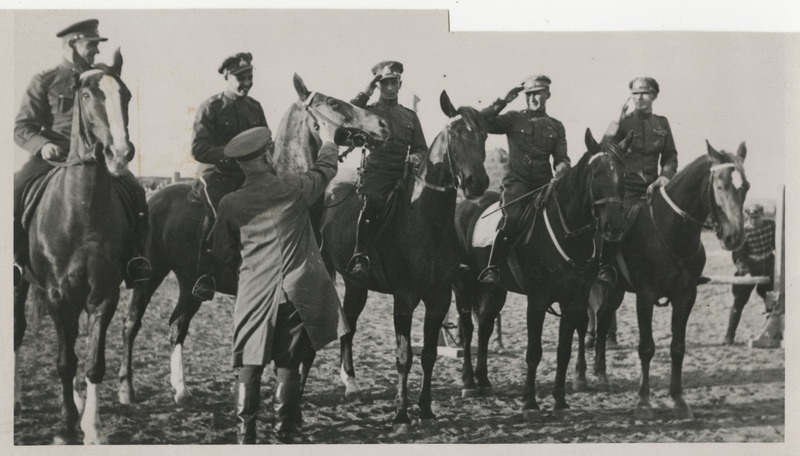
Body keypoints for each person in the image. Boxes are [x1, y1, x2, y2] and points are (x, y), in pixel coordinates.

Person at [212, 125, 349, 444]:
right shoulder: (293, 187)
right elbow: (326, 169)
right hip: (294, 293)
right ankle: (285, 430)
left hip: (253, 294)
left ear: (241, 164)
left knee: (249, 363)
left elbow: (221, 253)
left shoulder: (230, 203)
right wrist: (328, 141)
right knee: (288, 363)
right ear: (268, 153)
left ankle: (245, 433)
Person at [13, 18, 150, 287]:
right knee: (14, 191)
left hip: (97, 159)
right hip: (52, 159)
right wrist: (42, 145)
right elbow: (22, 127)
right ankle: (16, 262)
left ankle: (135, 259)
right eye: (91, 45)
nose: (96, 51)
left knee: (137, 191)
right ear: (71, 46)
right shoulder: (46, 80)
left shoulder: (100, 80)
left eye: (97, 46)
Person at [189, 52, 269, 300]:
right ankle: (205, 275)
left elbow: (264, 140)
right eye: (241, 78)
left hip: (249, 174)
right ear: (226, 76)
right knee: (219, 210)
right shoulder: (211, 107)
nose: (246, 82)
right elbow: (198, 148)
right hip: (217, 174)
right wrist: (230, 154)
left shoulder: (255, 107)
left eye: (250, 77)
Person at [478, 74, 570, 284]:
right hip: (517, 185)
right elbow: (481, 121)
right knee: (512, 219)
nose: (533, 99)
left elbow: (561, 158)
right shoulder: (513, 119)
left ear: (547, 94)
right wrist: (503, 101)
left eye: (538, 94)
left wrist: (561, 173)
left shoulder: (556, 126)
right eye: (529, 95)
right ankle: (493, 267)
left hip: (545, 184)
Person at [346, 60, 428, 279]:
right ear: (378, 86)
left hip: (405, 172)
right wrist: (366, 90)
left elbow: (422, 147)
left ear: (400, 84)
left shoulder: (409, 116)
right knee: (372, 202)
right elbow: (347, 115)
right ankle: (360, 254)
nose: (390, 88)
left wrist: (416, 156)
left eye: (394, 82)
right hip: (378, 171)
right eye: (384, 83)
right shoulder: (369, 111)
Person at [597, 76, 678, 284]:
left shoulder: (662, 123)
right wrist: (617, 121)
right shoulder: (623, 122)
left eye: (644, 93)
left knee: (677, 221)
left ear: (654, 96)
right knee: (614, 222)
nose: (639, 97)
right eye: (635, 93)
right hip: (627, 190)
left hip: (655, 190)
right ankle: (605, 266)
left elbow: (670, 156)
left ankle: (682, 268)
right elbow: (603, 148)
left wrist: (664, 176)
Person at [723, 203, 776, 345]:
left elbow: (780, 245)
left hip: (769, 265)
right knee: (739, 301)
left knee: (772, 298)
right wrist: (746, 273)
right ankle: (729, 335)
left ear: (762, 215)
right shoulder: (742, 233)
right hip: (750, 268)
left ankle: (770, 332)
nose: (753, 221)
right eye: (750, 218)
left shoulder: (771, 226)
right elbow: (739, 257)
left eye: (756, 218)